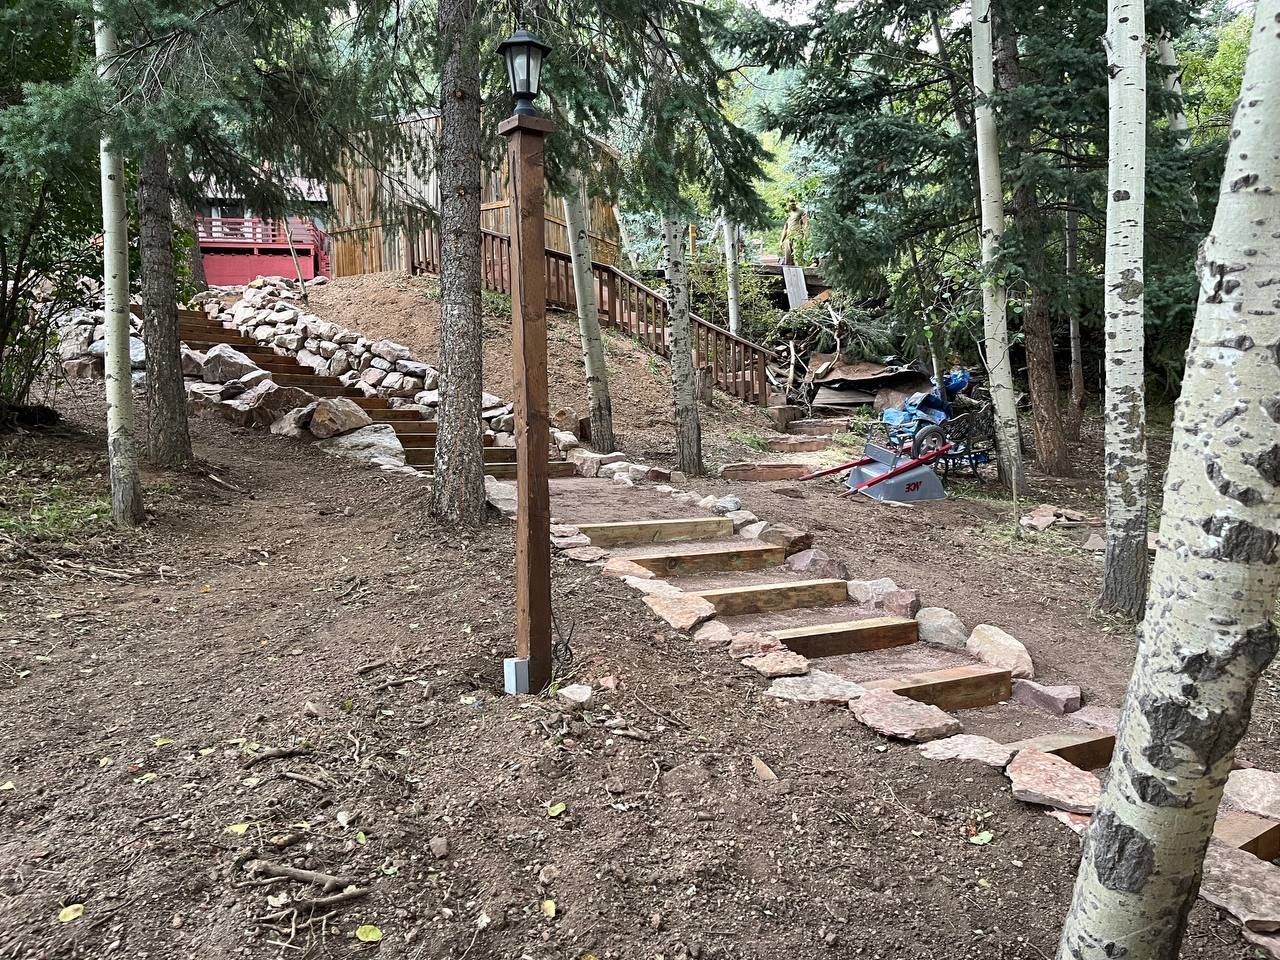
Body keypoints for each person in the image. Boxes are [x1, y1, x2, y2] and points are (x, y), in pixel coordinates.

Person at [779, 200, 809, 265]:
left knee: (798, 255)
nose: (792, 206)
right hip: (788, 236)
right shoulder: (787, 213)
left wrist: (805, 237)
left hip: (797, 235)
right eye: (790, 205)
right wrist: (781, 241)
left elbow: (805, 224)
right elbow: (785, 228)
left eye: (793, 204)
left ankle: (800, 269)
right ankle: (789, 270)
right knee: (788, 256)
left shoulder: (801, 211)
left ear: (795, 203)